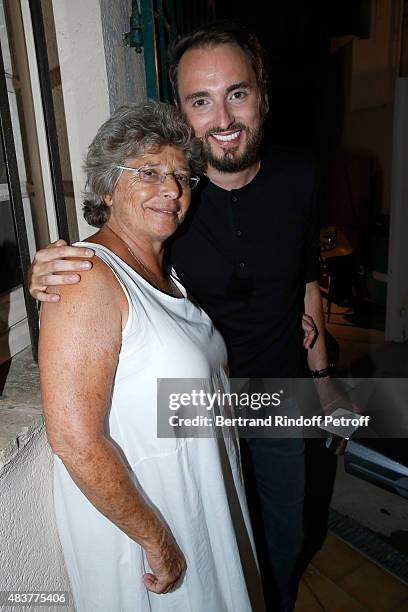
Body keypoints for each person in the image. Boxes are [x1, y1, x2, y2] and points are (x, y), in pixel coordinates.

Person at [30, 22, 326, 612]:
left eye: (237, 93)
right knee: (221, 535)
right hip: (192, 408)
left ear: (262, 95)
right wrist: (43, 271)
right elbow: (104, 262)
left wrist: (323, 378)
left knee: (283, 537)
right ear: (182, 111)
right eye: (201, 100)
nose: (222, 117)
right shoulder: (171, 201)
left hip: (275, 390)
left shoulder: (300, 175)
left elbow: (307, 277)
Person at [39, 101, 265, 612]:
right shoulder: (86, 276)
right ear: (105, 187)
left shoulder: (169, 277)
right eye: (148, 172)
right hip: (146, 529)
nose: (172, 189)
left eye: (182, 177)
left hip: (194, 499)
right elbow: (75, 440)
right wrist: (155, 538)